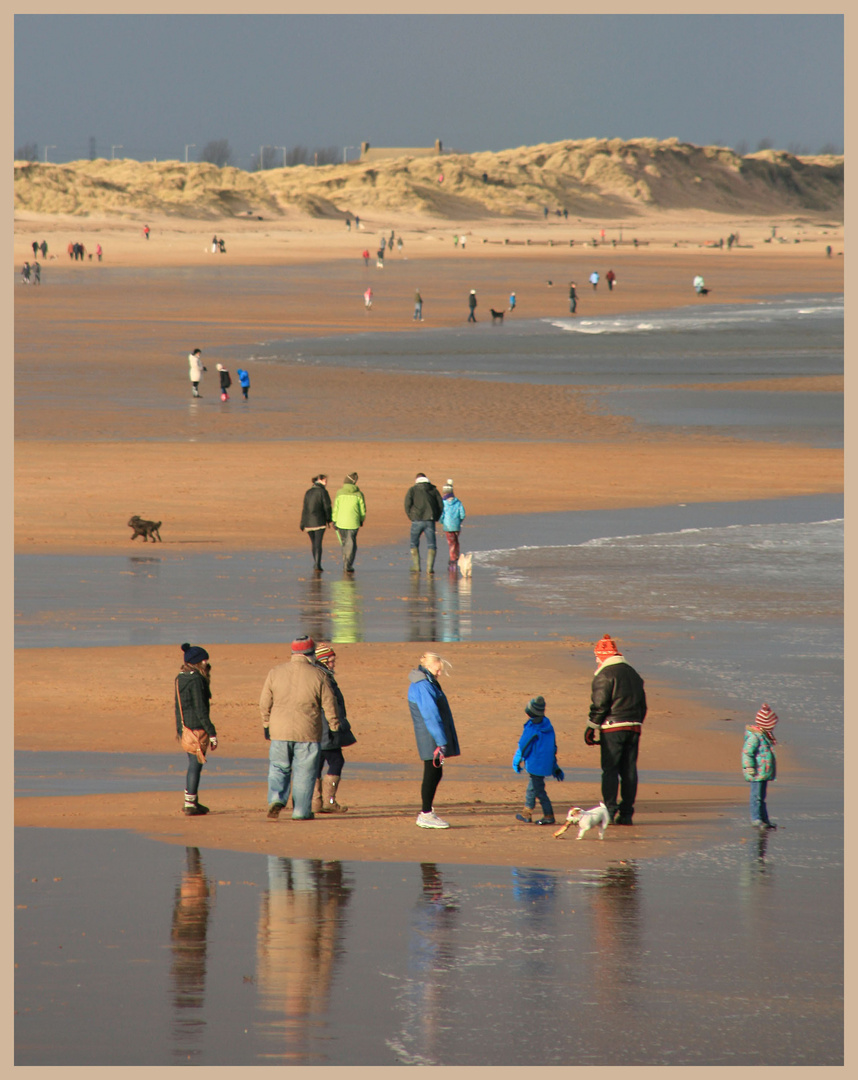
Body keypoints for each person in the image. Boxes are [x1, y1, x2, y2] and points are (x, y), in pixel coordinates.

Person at [260, 635, 339, 821]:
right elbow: (330, 704)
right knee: (305, 772)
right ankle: (301, 811)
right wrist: (334, 727)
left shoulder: (275, 672)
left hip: (279, 730)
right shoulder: (319, 675)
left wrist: (266, 723)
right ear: (311, 654)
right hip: (308, 732)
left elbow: (264, 702)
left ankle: (276, 798)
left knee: (279, 767)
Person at [584, 633, 647, 825]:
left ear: (604, 655)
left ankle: (609, 811)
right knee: (629, 770)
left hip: (613, 728)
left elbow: (600, 704)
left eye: (597, 656)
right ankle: (627, 813)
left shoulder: (604, 674)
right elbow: (643, 705)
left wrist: (591, 726)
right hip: (634, 727)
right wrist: (636, 721)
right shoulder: (634, 674)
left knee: (610, 770)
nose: (596, 659)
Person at [407, 651, 461, 829]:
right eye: (438, 670)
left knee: (435, 772)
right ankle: (425, 813)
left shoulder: (427, 682)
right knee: (432, 772)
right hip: (430, 735)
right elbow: (430, 715)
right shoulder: (423, 685)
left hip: (431, 734)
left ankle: (427, 811)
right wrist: (440, 741)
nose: (440, 673)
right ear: (429, 666)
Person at [311, 643, 357, 813]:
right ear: (323, 661)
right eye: (330, 660)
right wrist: (336, 725)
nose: (333, 663)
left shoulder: (318, 675)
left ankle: (316, 802)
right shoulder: (324, 678)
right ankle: (328, 801)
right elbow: (329, 705)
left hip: (318, 728)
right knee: (336, 760)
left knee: (318, 762)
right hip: (327, 728)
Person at [174, 642, 218, 816]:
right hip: (197, 729)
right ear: (198, 662)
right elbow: (201, 709)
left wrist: (179, 729)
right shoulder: (196, 680)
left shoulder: (180, 678)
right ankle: (190, 803)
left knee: (194, 763)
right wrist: (212, 732)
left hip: (185, 728)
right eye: (204, 661)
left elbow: (178, 706)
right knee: (195, 765)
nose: (207, 663)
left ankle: (193, 801)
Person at [513, 696, 563, 825]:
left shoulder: (532, 729)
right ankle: (527, 813)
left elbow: (523, 746)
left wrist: (517, 760)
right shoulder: (548, 725)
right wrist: (554, 766)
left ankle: (548, 815)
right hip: (545, 764)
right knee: (532, 789)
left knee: (539, 791)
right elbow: (553, 748)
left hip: (536, 765)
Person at [742, 704, 779, 829]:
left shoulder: (765, 736)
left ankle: (764, 819)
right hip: (756, 772)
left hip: (763, 772)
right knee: (756, 796)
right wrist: (749, 767)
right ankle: (756, 819)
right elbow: (747, 752)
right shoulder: (755, 736)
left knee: (762, 797)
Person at [404, 471, 444, 573]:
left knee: (414, 543)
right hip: (430, 520)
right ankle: (429, 568)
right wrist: (436, 517)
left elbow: (407, 504)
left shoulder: (412, 490)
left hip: (416, 520)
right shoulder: (433, 490)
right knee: (431, 545)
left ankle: (416, 566)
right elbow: (440, 505)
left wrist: (411, 516)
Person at [332, 472, 366, 573]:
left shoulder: (339, 493)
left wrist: (334, 520)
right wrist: (361, 520)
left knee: (345, 542)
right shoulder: (359, 494)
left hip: (341, 522)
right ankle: (348, 564)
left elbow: (336, 508)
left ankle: (346, 562)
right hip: (353, 522)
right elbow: (362, 510)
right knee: (351, 543)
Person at [300, 474, 332, 572]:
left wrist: (302, 522)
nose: (326, 483)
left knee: (314, 543)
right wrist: (329, 518)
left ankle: (316, 563)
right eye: (324, 481)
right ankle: (317, 564)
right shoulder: (323, 492)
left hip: (308, 522)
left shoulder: (308, 492)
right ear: (319, 480)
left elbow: (305, 508)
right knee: (317, 543)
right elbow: (327, 507)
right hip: (319, 521)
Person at [440, 480, 466, 568]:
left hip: (447, 526)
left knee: (451, 543)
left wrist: (442, 522)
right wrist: (459, 521)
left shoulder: (443, 503)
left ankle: (453, 559)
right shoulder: (458, 502)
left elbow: (441, 515)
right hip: (456, 525)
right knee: (456, 541)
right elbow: (462, 514)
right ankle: (456, 556)